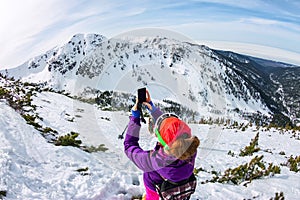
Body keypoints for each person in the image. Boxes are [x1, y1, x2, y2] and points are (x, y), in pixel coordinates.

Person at [124, 90, 200, 200]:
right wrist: (153, 110)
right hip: (180, 191)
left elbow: (129, 146)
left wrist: (135, 117)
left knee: (148, 179)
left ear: (160, 140)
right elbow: (172, 135)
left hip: (157, 191)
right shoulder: (191, 151)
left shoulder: (153, 160)